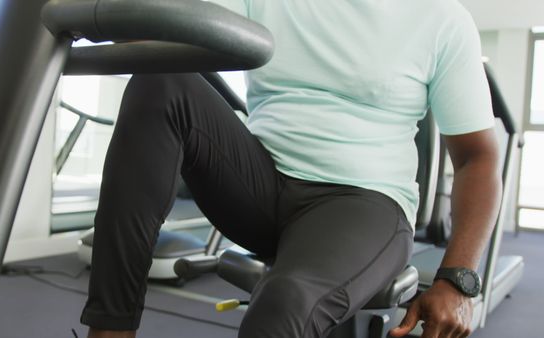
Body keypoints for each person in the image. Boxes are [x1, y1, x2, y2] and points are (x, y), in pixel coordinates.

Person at [81, 0, 501, 337]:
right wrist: (98, 14)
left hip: (362, 203)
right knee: (162, 83)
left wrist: (456, 279)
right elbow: (173, 23)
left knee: (283, 302)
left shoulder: (442, 18)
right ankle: (110, 331)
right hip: (259, 185)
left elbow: (477, 159)